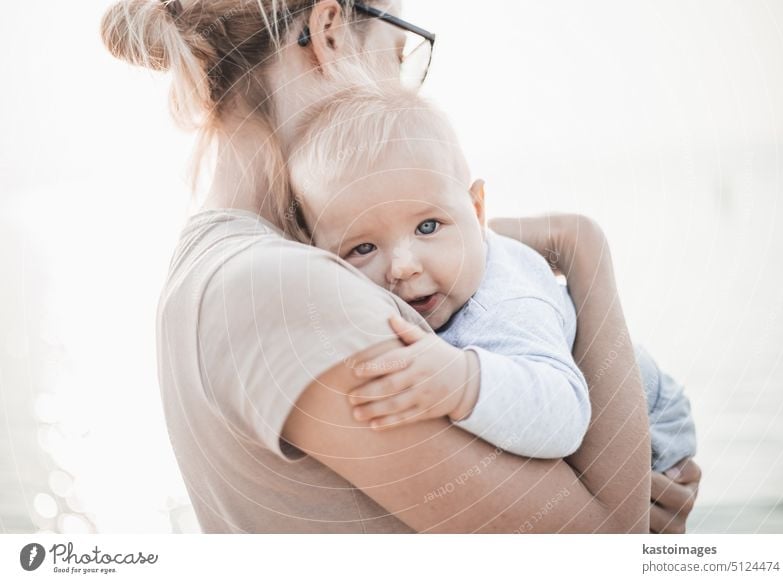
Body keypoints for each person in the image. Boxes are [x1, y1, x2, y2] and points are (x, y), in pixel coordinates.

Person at [101, 0, 700, 533]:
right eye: (400, 51)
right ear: (330, 31)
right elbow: (608, 545)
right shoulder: (282, 285)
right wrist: (584, 251)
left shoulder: (232, 268)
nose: (403, 86)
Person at [287, 84, 696, 469]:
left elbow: (565, 416)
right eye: (363, 248)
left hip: (653, 425)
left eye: (428, 227)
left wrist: (462, 381)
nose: (402, 266)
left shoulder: (506, 305)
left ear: (477, 211)